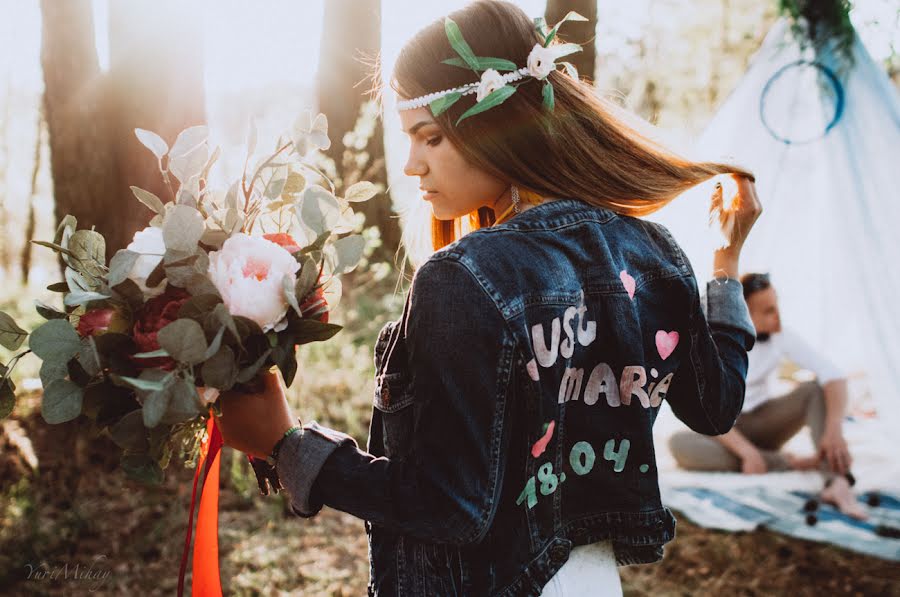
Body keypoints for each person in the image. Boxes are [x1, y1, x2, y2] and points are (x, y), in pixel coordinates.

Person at [215, 2, 762, 594]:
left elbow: (450, 507)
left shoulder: (464, 277)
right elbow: (717, 406)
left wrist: (289, 445)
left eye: (431, 138)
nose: (412, 164)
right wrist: (724, 267)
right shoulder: (656, 253)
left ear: (495, 126)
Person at [668, 273, 865, 519]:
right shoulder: (713, 337)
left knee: (813, 390)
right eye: (769, 310)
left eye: (777, 305)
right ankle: (785, 462)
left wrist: (834, 429)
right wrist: (746, 452)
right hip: (724, 428)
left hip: (765, 421)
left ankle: (836, 482)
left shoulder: (781, 335)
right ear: (745, 312)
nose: (778, 316)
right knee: (679, 445)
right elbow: (707, 405)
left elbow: (834, 376)